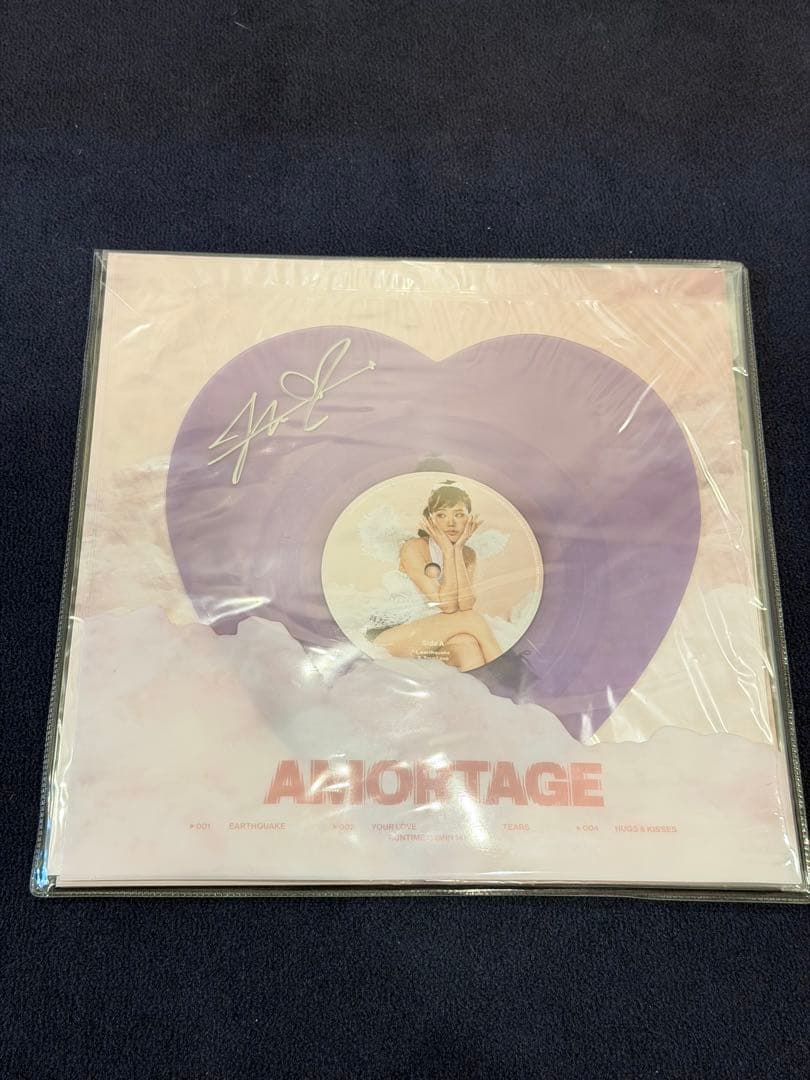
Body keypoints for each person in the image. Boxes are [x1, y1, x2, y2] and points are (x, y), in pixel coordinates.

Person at [369, 481, 502, 671]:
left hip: (439, 634)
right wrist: (448, 551)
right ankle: (508, 673)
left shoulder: (468, 554)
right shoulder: (413, 547)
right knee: (472, 620)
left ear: (469, 519)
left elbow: (465, 604)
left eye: (459, 514)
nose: (451, 523)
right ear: (431, 519)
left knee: (469, 647)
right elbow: (447, 606)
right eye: (441, 515)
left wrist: (457, 550)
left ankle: (489, 689)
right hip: (395, 634)